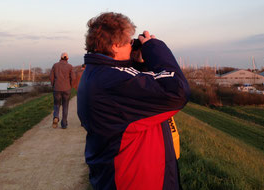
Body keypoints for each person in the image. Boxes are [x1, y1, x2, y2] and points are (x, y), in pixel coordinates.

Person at [77, 12, 190, 190]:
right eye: (129, 42)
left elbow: (143, 91)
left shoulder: (98, 74)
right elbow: (177, 91)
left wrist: (139, 64)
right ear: (115, 46)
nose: (132, 46)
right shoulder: (113, 81)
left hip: (127, 173)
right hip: (137, 180)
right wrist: (155, 49)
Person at [50, 52, 74, 129]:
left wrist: (53, 85)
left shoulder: (55, 65)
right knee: (65, 106)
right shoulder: (70, 66)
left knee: (56, 104)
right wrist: (70, 85)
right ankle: (64, 124)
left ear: (60, 57)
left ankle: (56, 117)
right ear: (67, 58)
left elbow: (51, 77)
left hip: (57, 88)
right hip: (66, 88)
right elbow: (73, 78)